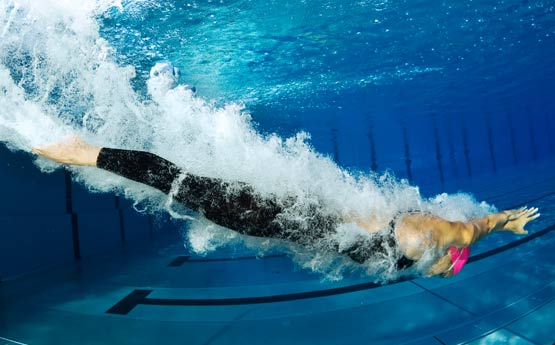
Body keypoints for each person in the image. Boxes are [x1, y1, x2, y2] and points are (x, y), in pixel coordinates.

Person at [32, 137, 540, 278]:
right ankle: (84, 152)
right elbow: (474, 227)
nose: (452, 269)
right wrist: (506, 219)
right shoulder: (427, 235)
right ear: (448, 254)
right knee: (178, 184)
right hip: (273, 213)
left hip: (285, 218)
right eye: (455, 264)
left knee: (185, 187)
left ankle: (91, 154)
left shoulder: (413, 258)